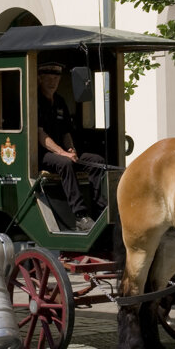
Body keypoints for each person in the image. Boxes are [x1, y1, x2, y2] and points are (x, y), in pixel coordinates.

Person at [37, 61, 106, 233]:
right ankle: (80, 216)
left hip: (62, 152)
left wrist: (71, 150)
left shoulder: (60, 101)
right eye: (49, 78)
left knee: (96, 161)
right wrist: (62, 153)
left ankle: (100, 209)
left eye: (56, 78)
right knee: (65, 164)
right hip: (42, 154)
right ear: (39, 79)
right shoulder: (35, 101)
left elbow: (66, 132)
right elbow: (40, 134)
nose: (53, 82)